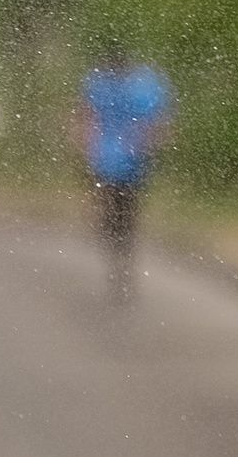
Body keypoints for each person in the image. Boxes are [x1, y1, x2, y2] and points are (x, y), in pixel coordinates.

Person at [73, 55, 174, 301]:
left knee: (115, 210)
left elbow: (84, 118)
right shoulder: (143, 87)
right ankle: (120, 254)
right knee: (124, 212)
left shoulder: (99, 84)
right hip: (125, 160)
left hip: (113, 159)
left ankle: (116, 250)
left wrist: (81, 141)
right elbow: (158, 123)